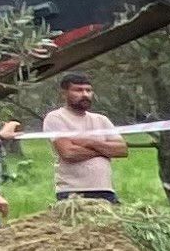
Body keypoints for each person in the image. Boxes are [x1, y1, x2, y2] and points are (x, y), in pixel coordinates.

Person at [41, 76, 123, 206]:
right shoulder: (56, 117)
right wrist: (105, 151)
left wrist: (90, 143)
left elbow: (121, 150)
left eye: (88, 90)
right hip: (73, 192)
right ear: (64, 94)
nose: (85, 94)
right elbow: (69, 153)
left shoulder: (101, 120)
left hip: (106, 190)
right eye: (78, 90)